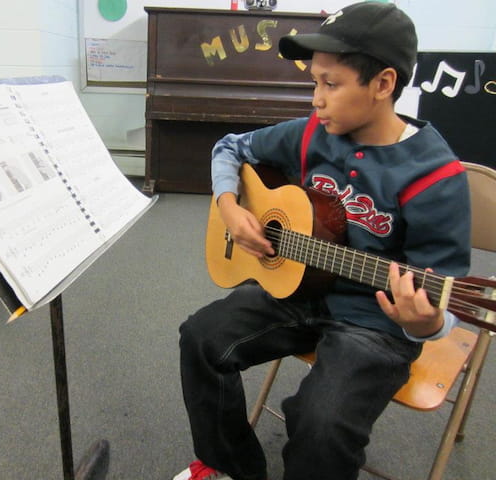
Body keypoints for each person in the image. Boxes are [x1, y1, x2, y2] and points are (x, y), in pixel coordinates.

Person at [174, 2, 471, 480]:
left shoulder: (435, 177)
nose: (316, 99)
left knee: (320, 421)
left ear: (383, 84)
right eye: (315, 82)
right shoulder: (313, 133)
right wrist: (230, 207)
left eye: (330, 85)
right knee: (201, 339)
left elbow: (443, 299)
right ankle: (233, 466)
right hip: (296, 290)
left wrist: (426, 323)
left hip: (373, 324)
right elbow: (229, 146)